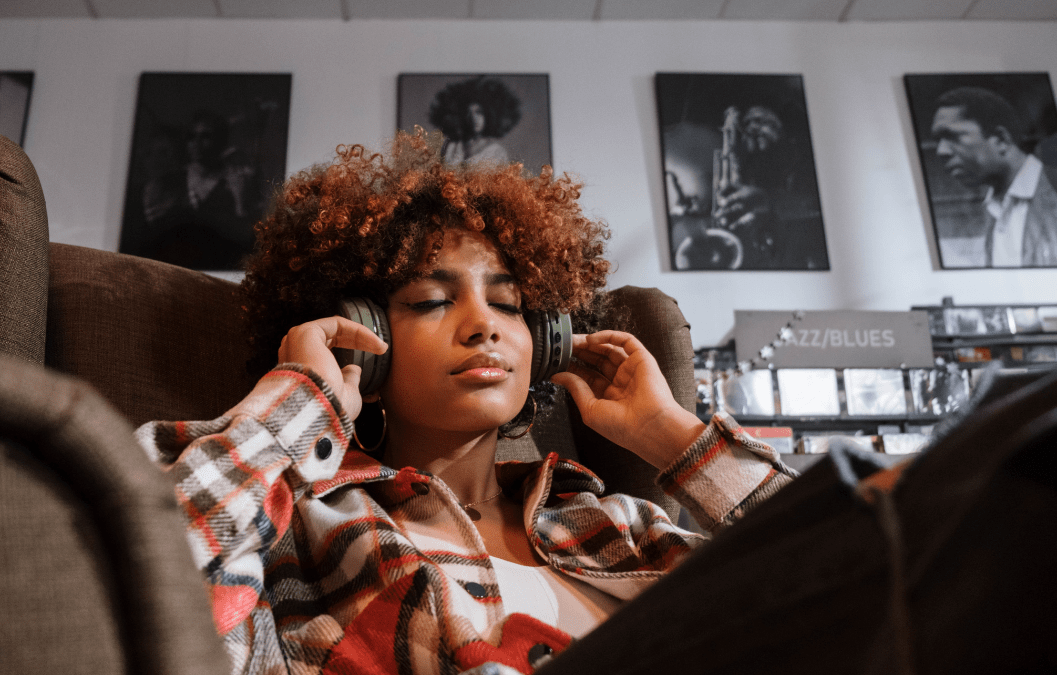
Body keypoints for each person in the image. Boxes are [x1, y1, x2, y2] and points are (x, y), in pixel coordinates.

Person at [135, 130, 795, 675]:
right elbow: (135, 578)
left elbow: (859, 574)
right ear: (368, 342)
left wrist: (672, 436)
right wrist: (298, 404)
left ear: (545, 340)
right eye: (430, 300)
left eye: (509, 304)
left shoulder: (619, 525)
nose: (485, 325)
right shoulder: (301, 533)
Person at [930, 86, 1057, 267]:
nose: (941, 151)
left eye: (952, 136)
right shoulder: (993, 209)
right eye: (938, 141)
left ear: (1000, 139)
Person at [710, 103, 828, 270]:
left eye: (760, 121)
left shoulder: (807, 160)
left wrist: (768, 199)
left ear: (786, 130)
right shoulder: (752, 169)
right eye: (747, 124)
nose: (752, 128)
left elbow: (818, 204)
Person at [138, 109, 261, 269]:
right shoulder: (166, 184)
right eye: (191, 136)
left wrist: (240, 201)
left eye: (206, 136)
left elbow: (249, 243)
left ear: (221, 140)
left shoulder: (235, 183)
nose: (196, 143)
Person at [429, 76, 520, 165]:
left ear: (489, 115)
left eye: (479, 112)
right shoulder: (451, 146)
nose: (473, 118)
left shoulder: (497, 152)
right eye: (468, 113)